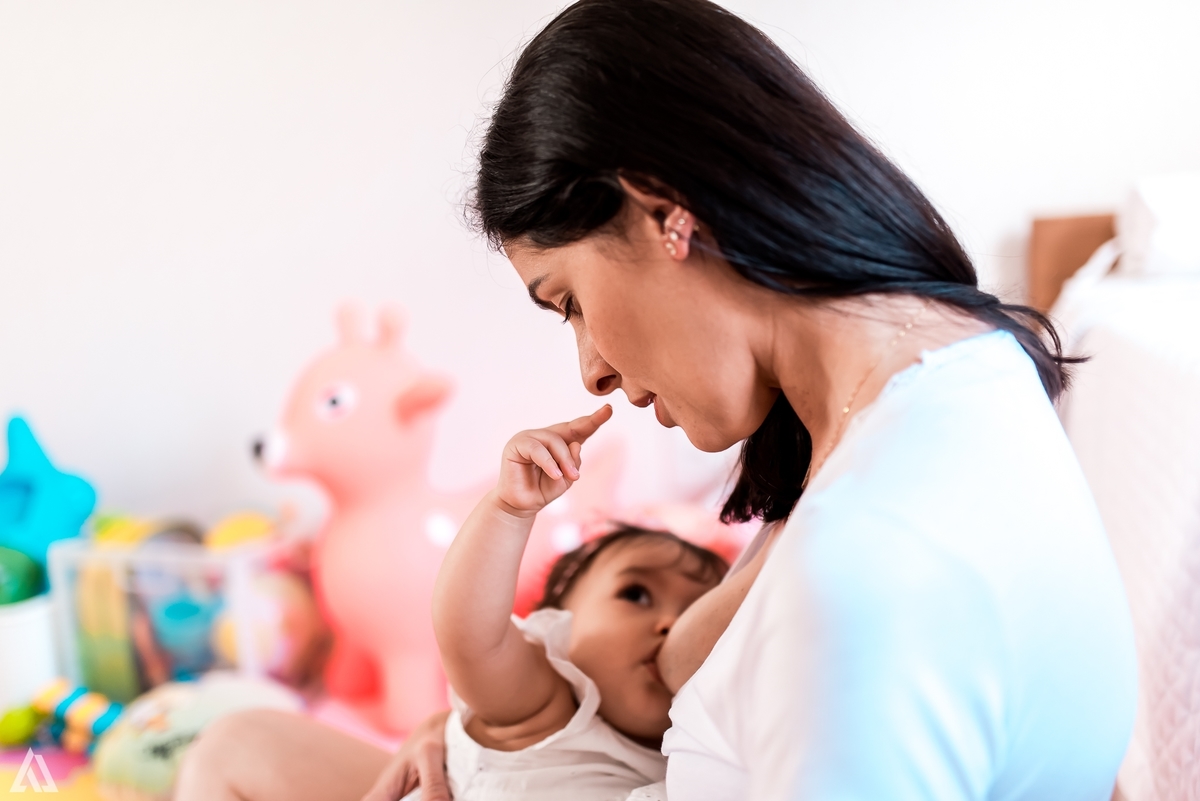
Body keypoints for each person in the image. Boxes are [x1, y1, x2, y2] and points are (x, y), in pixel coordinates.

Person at [177, 0, 1137, 799]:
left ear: (662, 207)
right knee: (237, 747)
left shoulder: (867, 568)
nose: (590, 369)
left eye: (571, 303)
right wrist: (486, 732)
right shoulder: (960, 378)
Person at [424, 410, 726, 800]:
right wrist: (510, 511)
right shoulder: (544, 704)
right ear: (559, 625)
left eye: (696, 613)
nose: (672, 624)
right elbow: (471, 637)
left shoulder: (697, 754)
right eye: (636, 595)